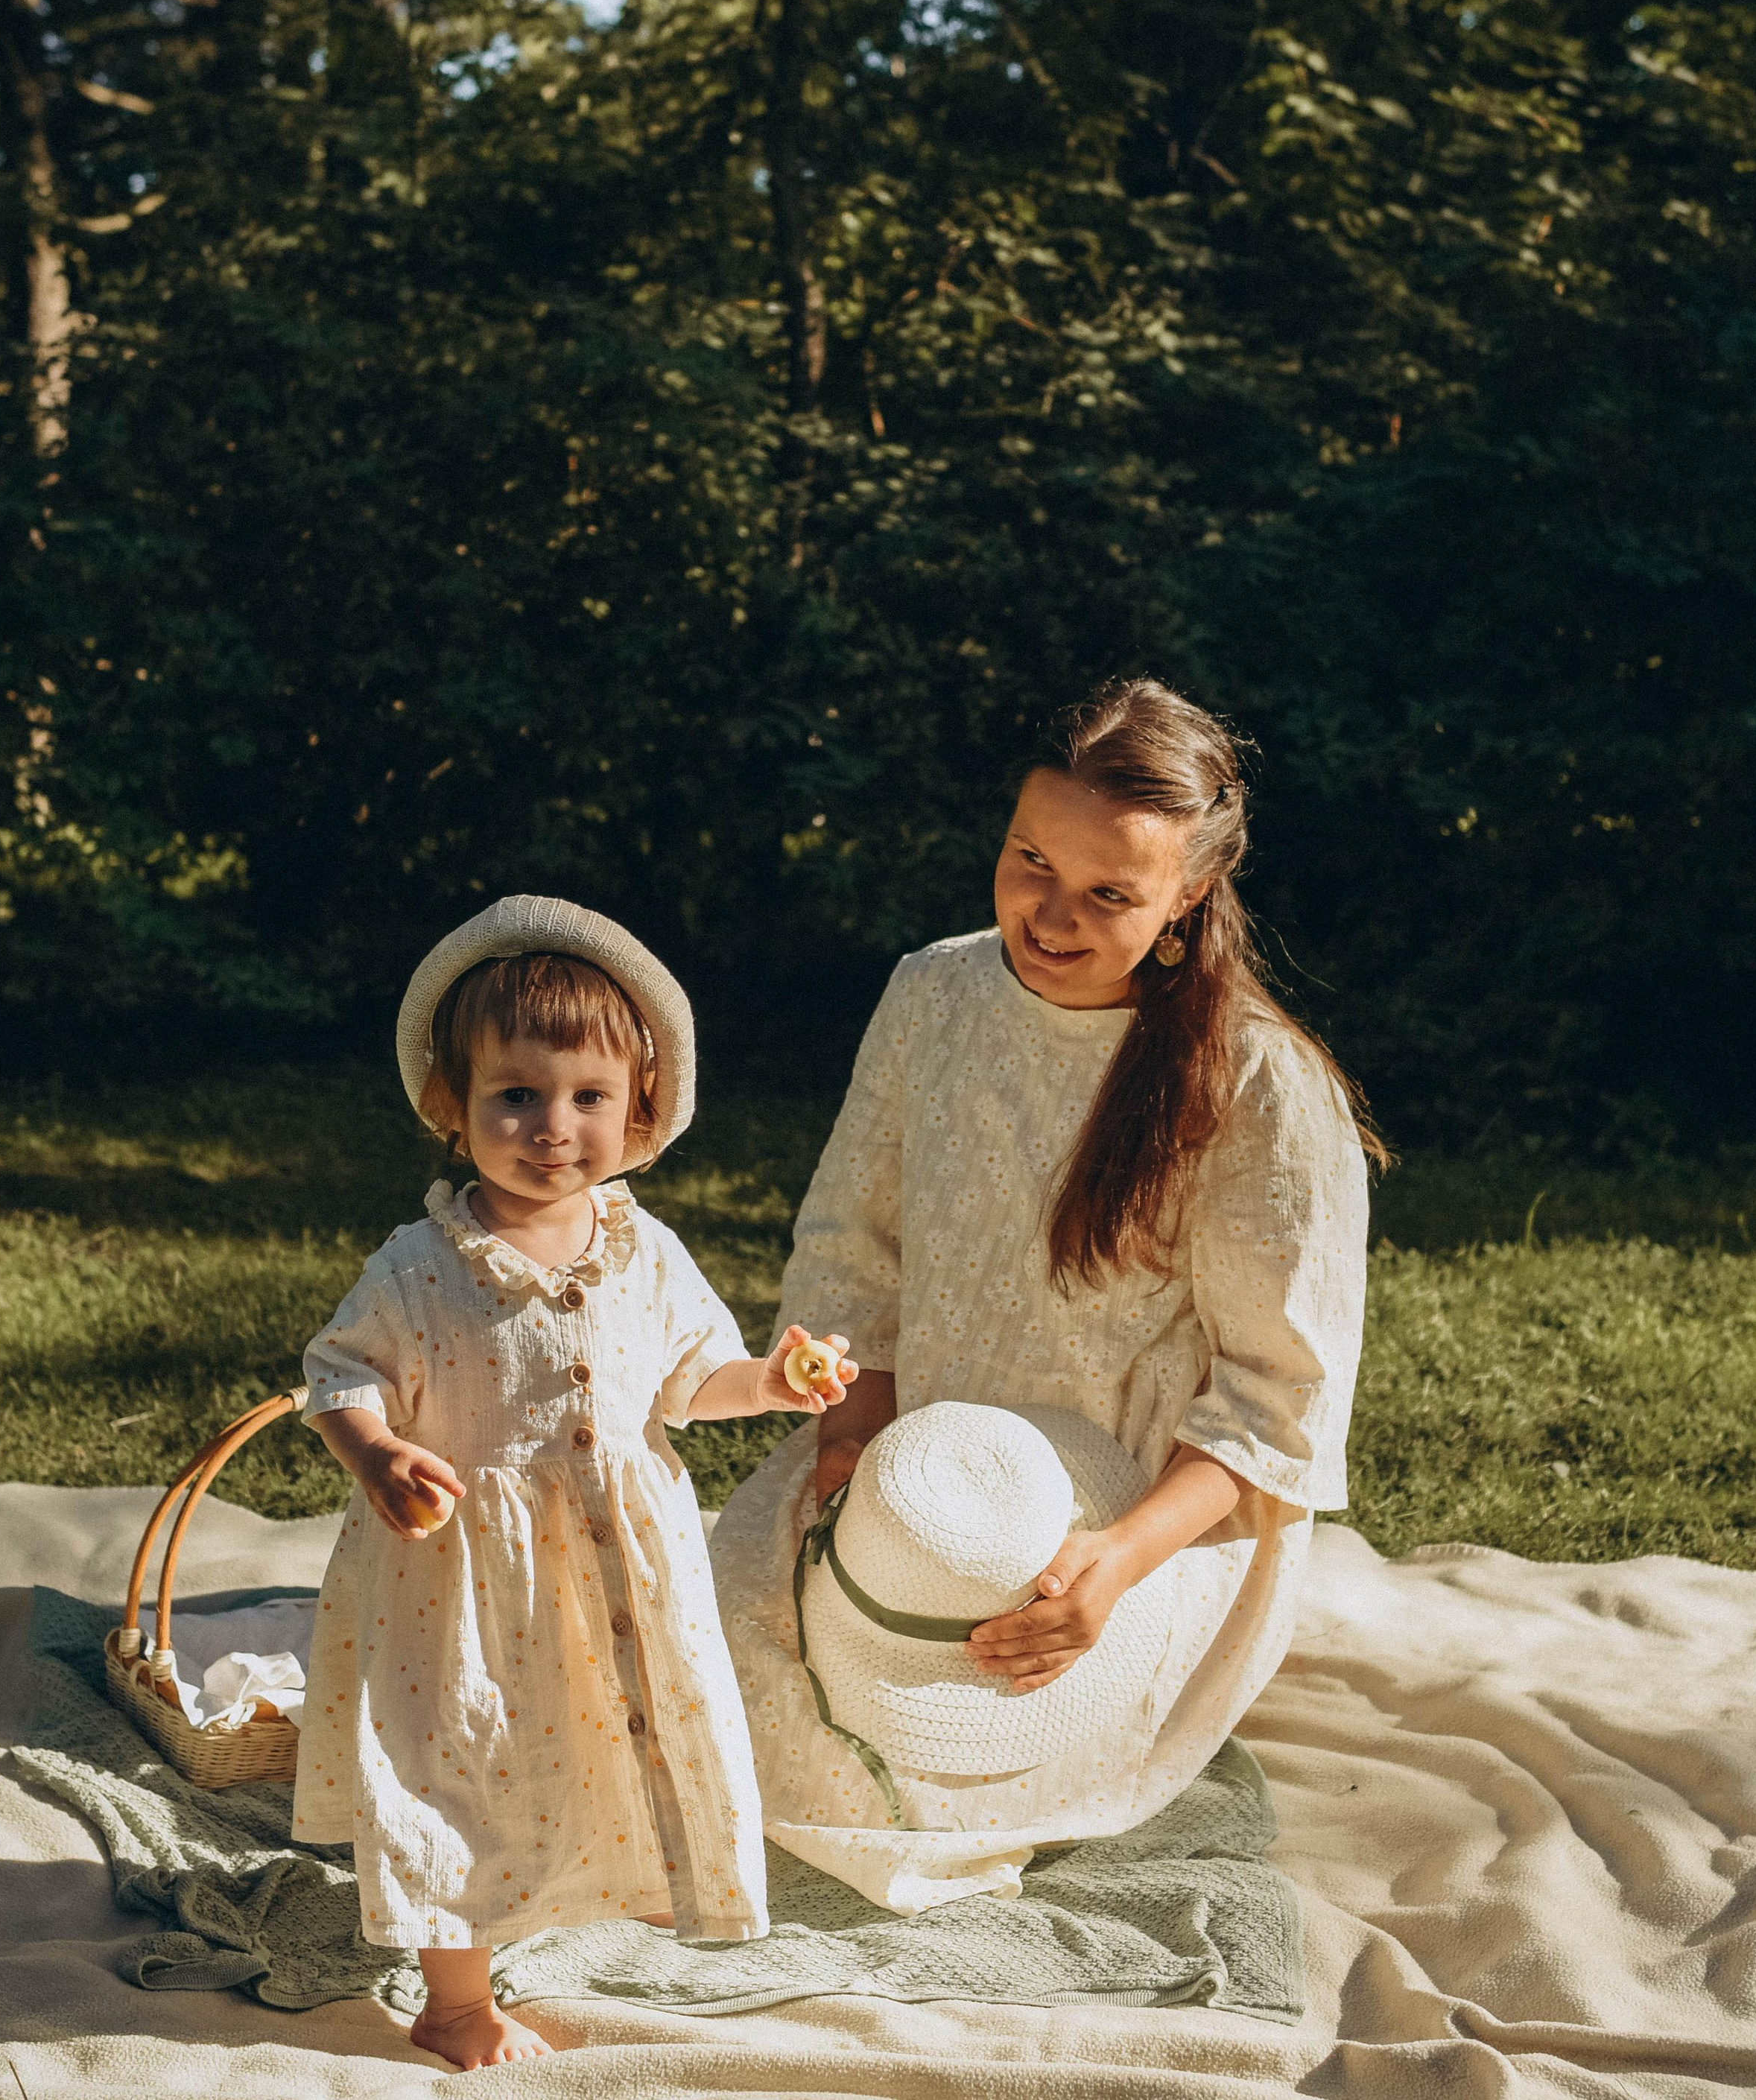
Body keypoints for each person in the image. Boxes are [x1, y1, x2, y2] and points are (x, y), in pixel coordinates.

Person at [710, 676, 1381, 1909]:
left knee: (919, 1787)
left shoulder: (1258, 1086)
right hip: (927, 1486)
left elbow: (1275, 1404)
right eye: (1030, 862)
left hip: (1135, 1514)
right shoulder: (933, 991)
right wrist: (856, 1435)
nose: (1051, 915)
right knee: (700, 1686)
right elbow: (855, 1244)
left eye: (1110, 894)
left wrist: (1115, 1565)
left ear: (1186, 902)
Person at [294, 895, 856, 2069]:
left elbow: (694, 1377)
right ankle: (454, 2002)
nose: (554, 1127)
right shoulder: (421, 1266)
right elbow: (338, 1373)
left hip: (612, 1572)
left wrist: (777, 1380)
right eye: (518, 1096)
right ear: (455, 1110)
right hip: (463, 1586)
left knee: (586, 1747)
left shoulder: (642, 1250)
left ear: (638, 1111)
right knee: (461, 1765)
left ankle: (587, 1896)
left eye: (589, 1098)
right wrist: (378, 1451)